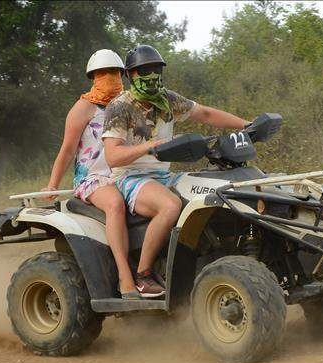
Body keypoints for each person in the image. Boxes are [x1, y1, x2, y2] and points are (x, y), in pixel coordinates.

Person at [102, 44, 249, 298]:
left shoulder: (167, 99)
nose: (150, 75)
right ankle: (143, 274)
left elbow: (204, 113)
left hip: (163, 176)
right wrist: (148, 147)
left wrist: (248, 125)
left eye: (155, 69)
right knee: (170, 206)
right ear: (130, 75)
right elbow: (112, 156)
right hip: (130, 177)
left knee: (218, 190)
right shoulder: (120, 106)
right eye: (142, 70)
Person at [42, 49, 143, 300]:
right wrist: (52, 184)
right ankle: (125, 277)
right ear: (93, 77)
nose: (110, 78)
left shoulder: (130, 104)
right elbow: (67, 150)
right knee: (115, 204)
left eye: (115, 73)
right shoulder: (83, 108)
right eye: (103, 73)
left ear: (123, 75)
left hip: (127, 173)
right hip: (94, 178)